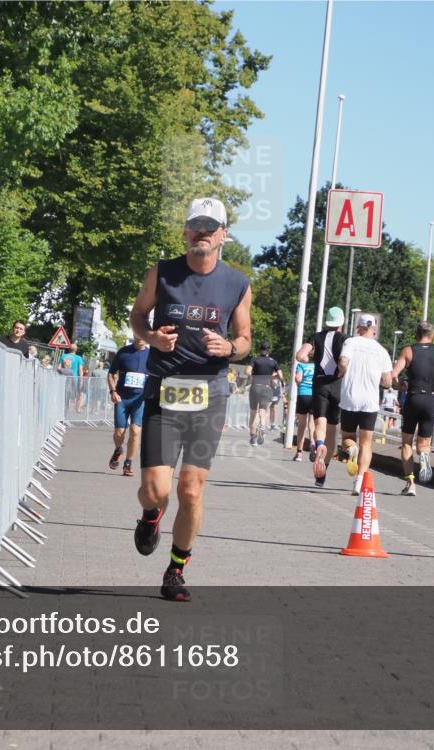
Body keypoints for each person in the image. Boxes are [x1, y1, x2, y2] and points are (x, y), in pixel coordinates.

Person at [129, 197, 251, 602]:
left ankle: (176, 570)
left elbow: (245, 340)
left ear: (223, 235)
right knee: (155, 490)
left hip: (209, 396)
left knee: (192, 490)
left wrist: (229, 348)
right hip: (164, 393)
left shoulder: (237, 284)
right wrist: (151, 338)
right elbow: (137, 316)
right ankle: (151, 515)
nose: (202, 232)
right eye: (196, 224)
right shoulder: (162, 273)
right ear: (185, 231)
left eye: (210, 226)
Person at [390, 321, 434, 496]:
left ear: (416, 334)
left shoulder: (408, 351)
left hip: (413, 397)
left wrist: (400, 385)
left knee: (407, 442)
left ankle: (410, 483)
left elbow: (393, 375)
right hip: (431, 399)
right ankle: (424, 456)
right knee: (424, 443)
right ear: (432, 335)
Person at [337, 314, 393, 495]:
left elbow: (343, 361)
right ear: (374, 329)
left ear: (358, 328)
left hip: (350, 398)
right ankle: (359, 481)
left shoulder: (351, 342)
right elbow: (388, 381)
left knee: (347, 437)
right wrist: (380, 381)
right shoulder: (382, 351)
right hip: (370, 401)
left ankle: (351, 448)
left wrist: (342, 372)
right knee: (366, 443)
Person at [295, 306, 348, 488]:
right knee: (332, 431)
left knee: (320, 424)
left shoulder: (316, 337)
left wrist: (312, 360)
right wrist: (342, 371)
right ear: (341, 323)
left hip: (319, 383)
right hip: (337, 385)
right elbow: (345, 362)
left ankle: (318, 445)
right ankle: (322, 472)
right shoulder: (345, 339)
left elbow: (300, 355)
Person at [107, 338, 150, 477]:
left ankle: (128, 463)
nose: (141, 338)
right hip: (122, 398)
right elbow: (111, 374)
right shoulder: (124, 352)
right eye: (138, 334)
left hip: (139, 400)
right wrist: (113, 392)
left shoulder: (151, 355)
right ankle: (118, 449)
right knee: (119, 432)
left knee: (135, 431)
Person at [245, 342, 280, 446]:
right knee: (263, 411)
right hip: (267, 388)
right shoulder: (273, 362)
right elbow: (280, 375)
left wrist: (252, 376)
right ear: (269, 350)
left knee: (253, 413)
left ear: (260, 349)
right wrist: (273, 378)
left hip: (255, 387)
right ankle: (263, 427)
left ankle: (253, 438)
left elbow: (247, 371)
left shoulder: (255, 360)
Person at [292, 359, 315, 461]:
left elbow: (298, 379)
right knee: (312, 424)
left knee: (301, 425)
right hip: (314, 395)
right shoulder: (317, 365)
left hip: (303, 394)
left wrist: (296, 379)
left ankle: (299, 453)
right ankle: (313, 444)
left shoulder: (301, 365)